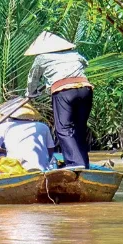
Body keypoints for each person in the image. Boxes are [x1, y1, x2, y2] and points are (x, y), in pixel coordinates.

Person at [25, 31, 93, 169]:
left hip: (64, 91)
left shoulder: (41, 58)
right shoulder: (74, 54)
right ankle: (84, 163)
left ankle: (75, 163)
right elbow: (84, 64)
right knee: (79, 128)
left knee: (64, 129)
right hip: (85, 89)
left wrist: (30, 94)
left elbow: (33, 79)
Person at [0, 102, 55, 171]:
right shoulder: (43, 126)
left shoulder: (3, 127)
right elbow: (50, 151)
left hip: (17, 170)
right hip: (42, 168)